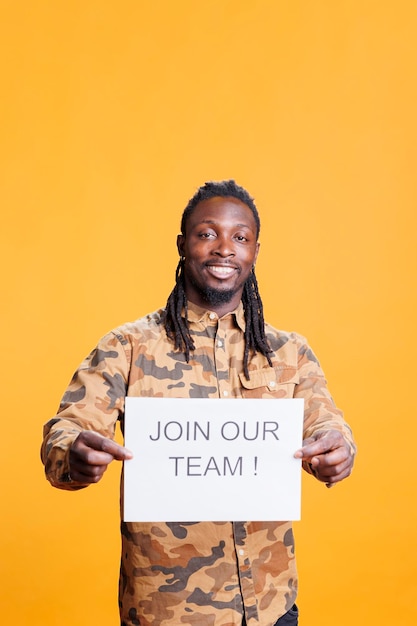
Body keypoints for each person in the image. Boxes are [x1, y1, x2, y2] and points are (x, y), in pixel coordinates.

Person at [41, 180, 355, 626]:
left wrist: (337, 449)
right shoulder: (128, 346)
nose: (224, 248)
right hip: (164, 611)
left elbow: (328, 425)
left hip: (270, 606)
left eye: (240, 238)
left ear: (255, 252)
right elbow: (67, 429)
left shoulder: (289, 351)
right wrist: (74, 454)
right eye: (207, 233)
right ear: (182, 245)